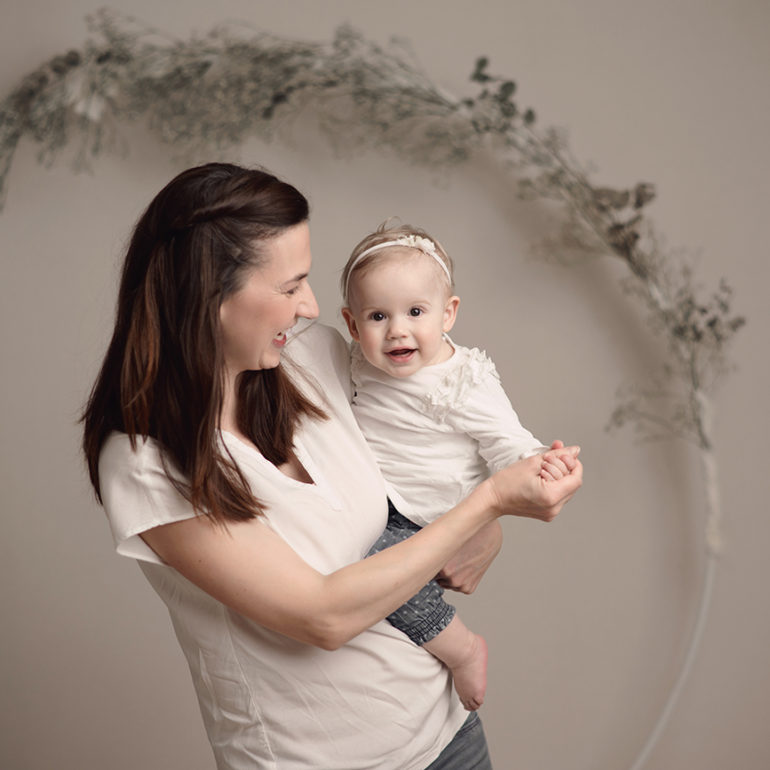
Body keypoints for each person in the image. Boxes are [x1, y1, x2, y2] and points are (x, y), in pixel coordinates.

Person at [81, 162, 582, 770]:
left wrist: (487, 523)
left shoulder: (312, 357)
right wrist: (490, 503)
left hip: (449, 733)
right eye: (290, 286)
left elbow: (424, 438)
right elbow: (321, 616)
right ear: (210, 294)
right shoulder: (148, 461)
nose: (310, 306)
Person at [340, 221, 574, 712]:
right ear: (353, 325)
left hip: (432, 520)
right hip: (380, 505)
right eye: (378, 316)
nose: (397, 330)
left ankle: (462, 647)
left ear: (448, 313)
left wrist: (543, 466)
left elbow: (508, 443)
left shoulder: (462, 379)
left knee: (376, 572)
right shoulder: (356, 362)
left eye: (415, 312)